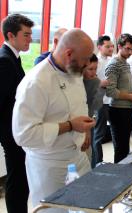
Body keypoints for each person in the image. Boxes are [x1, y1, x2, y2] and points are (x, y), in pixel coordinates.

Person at [12, 29, 96, 212]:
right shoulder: (36, 82)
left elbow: (80, 103)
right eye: (85, 59)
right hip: (50, 166)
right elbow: (23, 135)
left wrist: (85, 130)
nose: (88, 64)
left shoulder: (74, 70)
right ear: (68, 54)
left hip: (77, 158)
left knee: (88, 207)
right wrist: (71, 126)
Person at [0, 13, 33, 213]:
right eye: (26, 35)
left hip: (16, 128)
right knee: (17, 177)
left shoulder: (14, 57)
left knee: (20, 176)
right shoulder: (5, 61)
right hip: (10, 130)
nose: (30, 39)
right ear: (11, 36)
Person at [105, 33, 132, 163]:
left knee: (125, 148)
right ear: (119, 46)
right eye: (127, 48)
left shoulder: (125, 64)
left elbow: (124, 87)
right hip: (117, 110)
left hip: (126, 109)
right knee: (120, 149)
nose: (130, 52)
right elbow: (110, 91)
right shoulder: (113, 64)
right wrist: (131, 97)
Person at [91, 35, 114, 168]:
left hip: (112, 100)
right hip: (100, 101)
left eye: (111, 46)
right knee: (98, 136)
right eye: (107, 46)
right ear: (99, 47)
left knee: (112, 132)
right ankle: (97, 164)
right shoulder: (96, 62)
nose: (111, 48)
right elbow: (89, 80)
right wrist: (101, 83)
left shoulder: (111, 61)